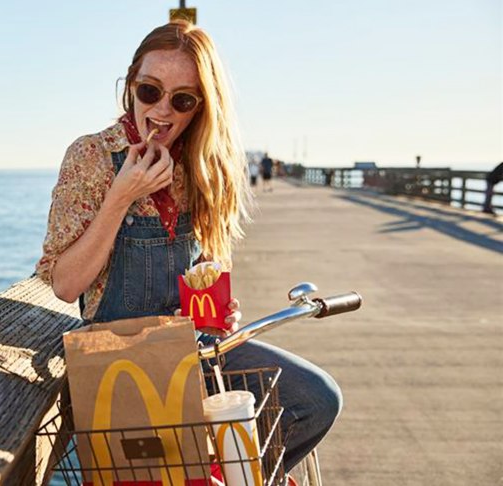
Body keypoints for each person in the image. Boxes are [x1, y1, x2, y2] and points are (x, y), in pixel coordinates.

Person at [36, 20, 342, 479]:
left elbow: (201, 268)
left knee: (315, 399)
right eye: (149, 91)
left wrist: (217, 309)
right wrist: (121, 196)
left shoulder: (202, 165)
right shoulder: (93, 156)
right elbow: (64, 284)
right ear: (130, 85)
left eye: (181, 99)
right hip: (118, 360)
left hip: (196, 349)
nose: (161, 110)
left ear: (200, 107)